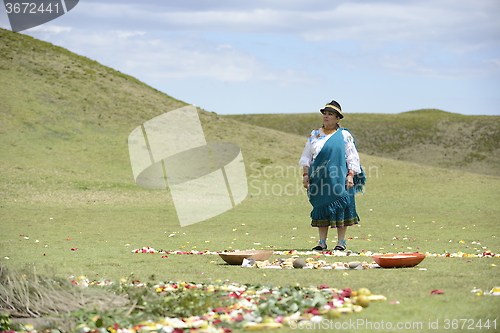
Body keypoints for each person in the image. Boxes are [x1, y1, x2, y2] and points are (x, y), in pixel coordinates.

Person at [299, 100, 365, 251]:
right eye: (325, 114)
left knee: (341, 208)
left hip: (339, 178)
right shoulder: (314, 134)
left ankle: (341, 243)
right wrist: (305, 175)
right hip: (319, 178)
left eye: (330, 114)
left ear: (338, 118)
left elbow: (352, 157)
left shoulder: (344, 135)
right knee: (321, 208)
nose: (326, 117)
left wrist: (350, 175)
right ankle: (321, 242)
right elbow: (306, 157)